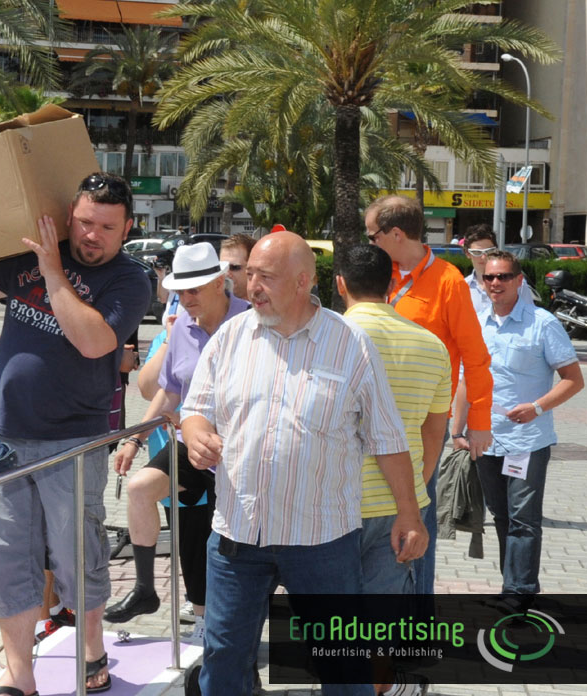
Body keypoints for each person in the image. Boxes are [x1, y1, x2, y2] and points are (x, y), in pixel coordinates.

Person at [0, 172, 151, 696]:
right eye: (85, 222)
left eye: (106, 228)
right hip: (5, 437)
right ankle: (20, 672)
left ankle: (91, 649)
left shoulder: (129, 279)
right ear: (70, 215)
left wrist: (53, 272)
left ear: (127, 229)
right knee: (7, 554)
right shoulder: (41, 251)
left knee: (75, 553)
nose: (92, 235)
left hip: (73, 440)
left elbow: (93, 342)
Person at [179, 233, 426, 696]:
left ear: (302, 281)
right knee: (224, 658)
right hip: (237, 534)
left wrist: (409, 514)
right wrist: (195, 436)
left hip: (321, 540)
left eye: (266, 277)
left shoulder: (350, 344)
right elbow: (195, 409)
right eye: (250, 274)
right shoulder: (231, 336)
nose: (252, 286)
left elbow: (388, 438)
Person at [105, 243, 249, 647]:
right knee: (141, 489)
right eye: (179, 291)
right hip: (191, 441)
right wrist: (134, 439)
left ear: (220, 283)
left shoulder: (251, 321)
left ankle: (222, 627)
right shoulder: (182, 327)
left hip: (240, 451)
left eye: (193, 290)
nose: (185, 299)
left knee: (220, 542)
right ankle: (146, 590)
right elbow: (168, 392)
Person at [336, 245, 452, 696]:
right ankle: (378, 687)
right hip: (400, 507)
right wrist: (413, 492)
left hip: (334, 503)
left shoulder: (329, 338)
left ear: (340, 283)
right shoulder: (432, 346)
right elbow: (433, 435)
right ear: (391, 285)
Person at [364, 195, 493, 596]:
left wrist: (479, 423)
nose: (369, 243)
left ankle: (416, 614)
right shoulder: (377, 276)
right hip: (369, 419)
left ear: (395, 234)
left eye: (372, 236)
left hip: (423, 425)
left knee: (418, 517)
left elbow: (475, 357)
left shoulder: (448, 282)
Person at [473, 250, 583, 600]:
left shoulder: (542, 323)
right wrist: (459, 429)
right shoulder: (477, 322)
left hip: (527, 441)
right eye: (489, 277)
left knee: (523, 519)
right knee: (501, 516)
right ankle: (512, 586)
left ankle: (519, 593)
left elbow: (574, 380)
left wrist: (537, 407)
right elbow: (464, 379)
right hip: (486, 438)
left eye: (503, 276)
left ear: (519, 281)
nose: (495, 283)